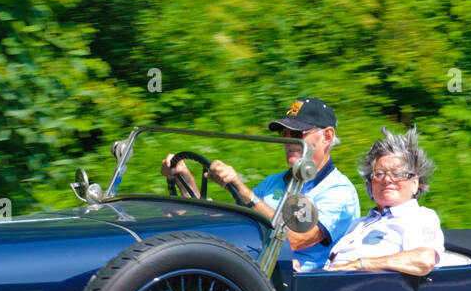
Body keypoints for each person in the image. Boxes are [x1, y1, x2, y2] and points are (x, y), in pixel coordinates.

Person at [161, 97, 360, 272]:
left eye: (298, 134)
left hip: (300, 288)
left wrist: (245, 193)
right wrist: (186, 182)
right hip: (255, 271)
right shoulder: (273, 182)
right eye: (285, 133)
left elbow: (295, 239)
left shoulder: (338, 191)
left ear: (327, 136)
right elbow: (233, 224)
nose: (288, 142)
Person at [325, 126, 444, 276]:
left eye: (397, 173)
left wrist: (360, 265)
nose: (387, 179)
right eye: (379, 174)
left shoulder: (419, 217)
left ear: (415, 183)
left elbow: (424, 260)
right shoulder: (359, 224)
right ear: (370, 183)